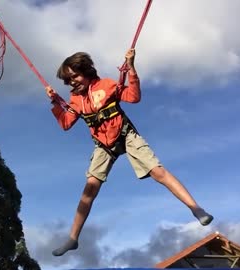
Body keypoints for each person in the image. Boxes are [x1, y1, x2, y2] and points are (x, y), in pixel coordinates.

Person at [45, 49, 213, 257]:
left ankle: (196, 209)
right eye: (68, 81)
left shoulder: (107, 85)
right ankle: (73, 238)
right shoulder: (75, 100)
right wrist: (55, 102)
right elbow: (66, 123)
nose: (72, 83)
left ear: (86, 71)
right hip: (103, 144)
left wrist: (131, 68)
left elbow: (133, 96)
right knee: (89, 190)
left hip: (126, 134)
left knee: (158, 172)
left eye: (75, 77)